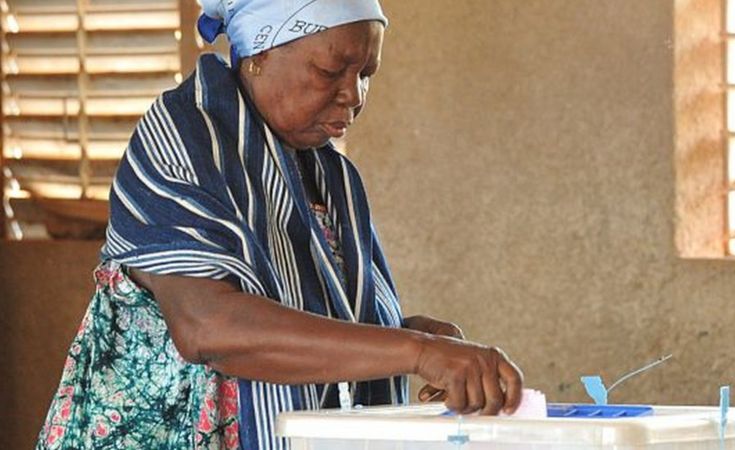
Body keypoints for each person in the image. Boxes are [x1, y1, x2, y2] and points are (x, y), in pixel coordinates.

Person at [37, 1, 524, 449]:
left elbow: (319, 320)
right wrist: (416, 350)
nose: (353, 95)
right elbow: (209, 327)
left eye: (367, 73)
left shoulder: (327, 173)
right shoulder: (185, 137)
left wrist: (422, 337)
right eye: (331, 70)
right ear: (260, 55)